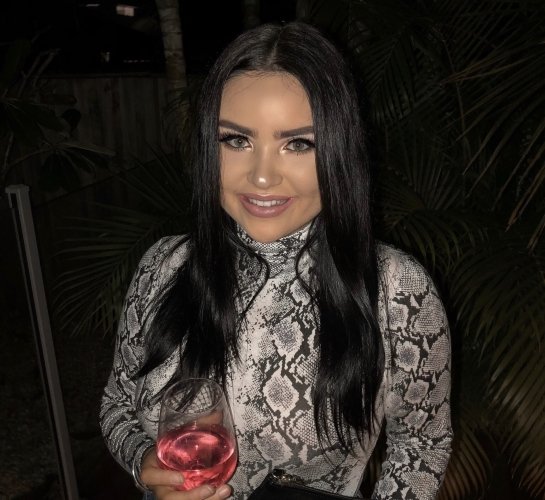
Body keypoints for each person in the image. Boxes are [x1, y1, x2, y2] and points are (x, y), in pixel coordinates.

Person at [100, 21, 452, 500]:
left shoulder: (396, 290)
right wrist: (145, 463)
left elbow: (422, 442)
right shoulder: (163, 267)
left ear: (338, 152)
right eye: (236, 140)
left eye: (298, 144)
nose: (262, 177)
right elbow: (117, 404)